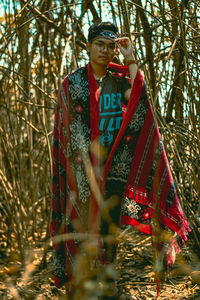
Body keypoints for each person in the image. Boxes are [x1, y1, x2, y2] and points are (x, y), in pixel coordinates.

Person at [50, 22, 190, 299]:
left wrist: (131, 58)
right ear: (88, 46)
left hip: (114, 168)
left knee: (109, 227)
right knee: (82, 226)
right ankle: (82, 282)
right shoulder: (72, 82)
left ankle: (109, 282)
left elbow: (140, 102)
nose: (105, 50)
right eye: (99, 44)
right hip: (82, 171)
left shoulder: (121, 79)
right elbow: (64, 130)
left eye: (110, 46)